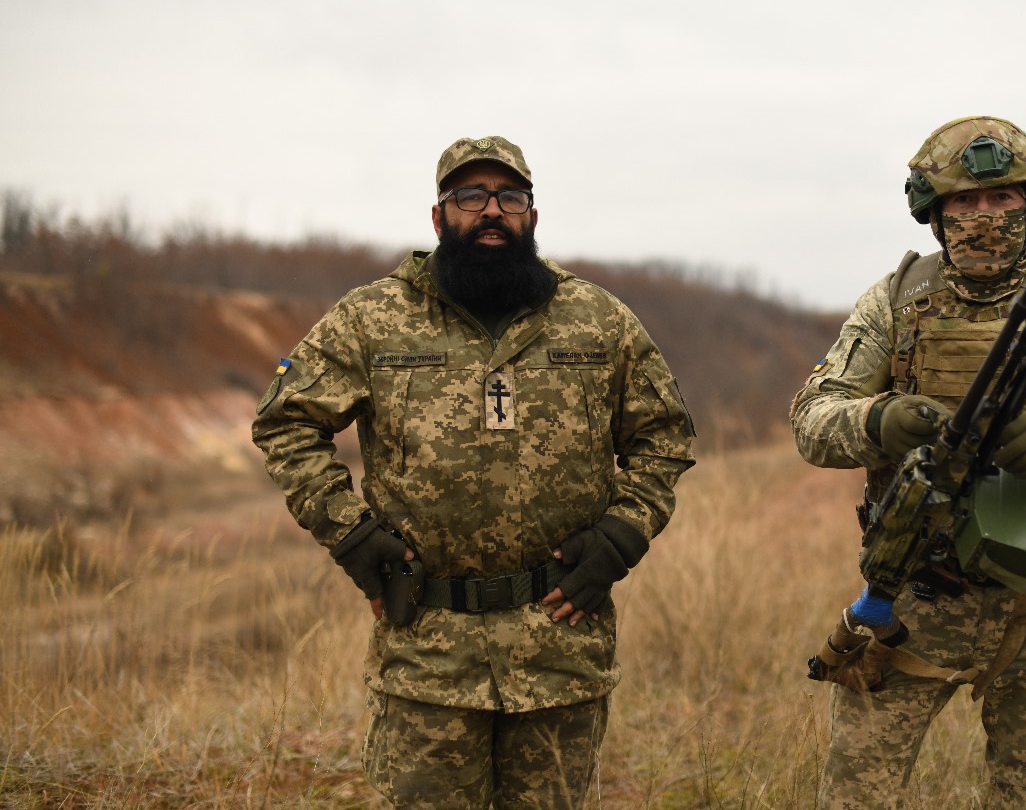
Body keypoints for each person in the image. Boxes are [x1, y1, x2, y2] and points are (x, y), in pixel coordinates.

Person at [252, 135, 696, 807]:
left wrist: (622, 535)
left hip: (560, 646)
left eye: (509, 197)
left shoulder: (598, 321)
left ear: (533, 217)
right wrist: (350, 534)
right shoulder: (374, 318)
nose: (491, 210)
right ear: (439, 218)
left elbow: (663, 434)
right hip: (427, 654)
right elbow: (286, 419)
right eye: (470, 196)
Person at [789, 116, 1026, 808]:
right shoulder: (897, 299)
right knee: (854, 793)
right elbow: (813, 418)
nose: (984, 217)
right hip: (916, 590)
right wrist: (880, 420)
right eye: (964, 202)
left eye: (1001, 200)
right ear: (933, 212)